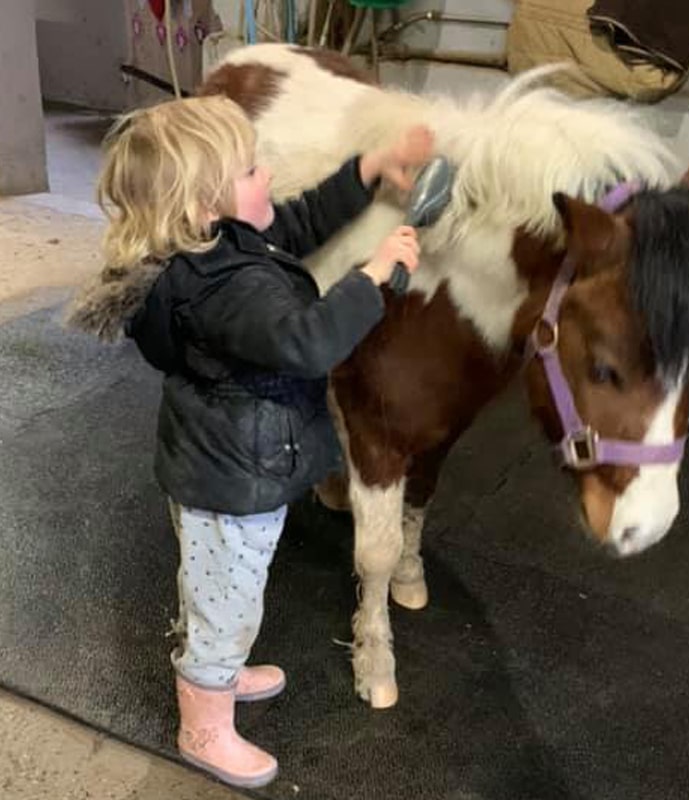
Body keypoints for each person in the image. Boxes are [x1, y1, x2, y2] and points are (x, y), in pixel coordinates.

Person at [67, 93, 434, 788]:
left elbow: (294, 222)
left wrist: (368, 170)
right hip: (228, 484)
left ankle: (221, 673)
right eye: (250, 169)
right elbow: (309, 341)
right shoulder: (226, 291)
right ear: (207, 205)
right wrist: (373, 275)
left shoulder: (217, 245)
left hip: (228, 468)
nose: (267, 175)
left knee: (227, 596)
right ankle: (204, 724)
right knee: (224, 607)